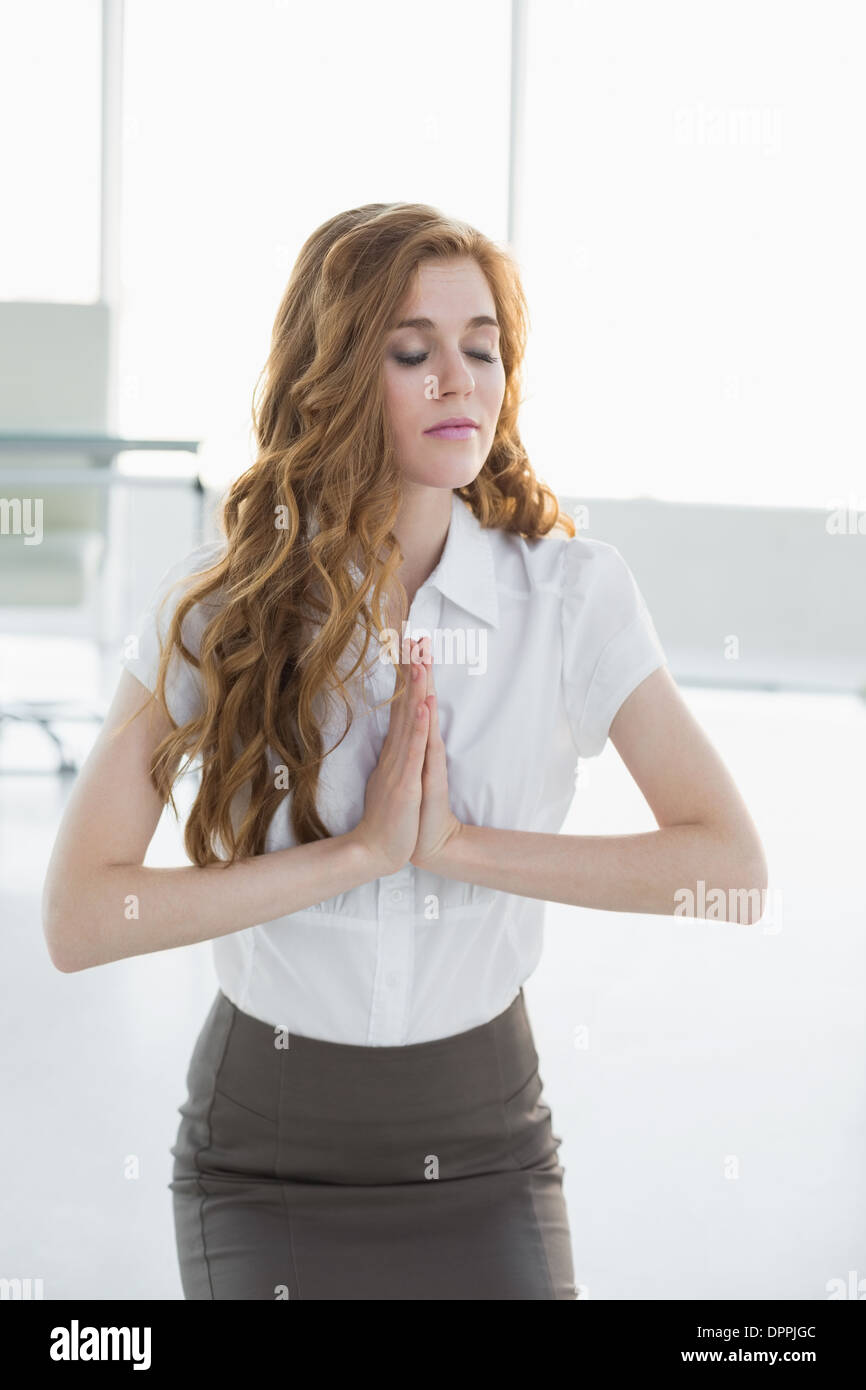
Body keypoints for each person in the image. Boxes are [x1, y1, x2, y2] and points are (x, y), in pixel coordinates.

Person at [42, 202, 768, 1300]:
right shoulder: (216, 609)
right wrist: (356, 857)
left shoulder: (570, 597)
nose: (457, 380)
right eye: (411, 350)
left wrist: (457, 847)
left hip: (485, 1145)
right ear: (332, 373)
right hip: (264, 1156)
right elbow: (80, 917)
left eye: (480, 348)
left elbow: (730, 872)